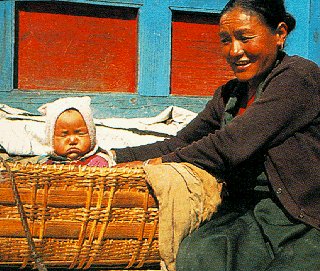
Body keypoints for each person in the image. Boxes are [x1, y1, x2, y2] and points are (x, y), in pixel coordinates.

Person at [112, 0, 320, 270]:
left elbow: (232, 144)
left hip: (303, 219)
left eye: (245, 38)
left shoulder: (299, 78)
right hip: (246, 216)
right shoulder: (229, 94)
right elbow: (180, 142)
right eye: (226, 40)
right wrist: (110, 157)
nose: (235, 51)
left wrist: (155, 165)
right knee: (197, 255)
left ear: (279, 33)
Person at [38, 96, 115, 167]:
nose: (72, 141)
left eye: (80, 134)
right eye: (64, 135)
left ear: (92, 136)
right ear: (51, 140)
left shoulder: (99, 163)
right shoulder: (45, 166)